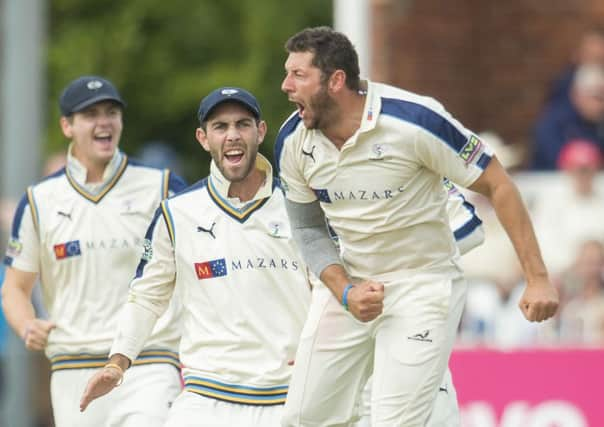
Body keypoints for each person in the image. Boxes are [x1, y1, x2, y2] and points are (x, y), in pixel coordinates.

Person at [275, 26, 559, 427]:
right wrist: (346, 291)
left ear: (336, 80)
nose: (286, 86)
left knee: (395, 421)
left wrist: (538, 278)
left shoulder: (413, 119)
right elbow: (307, 230)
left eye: (298, 75)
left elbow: (498, 182)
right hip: (349, 288)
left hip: (422, 287)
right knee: (304, 417)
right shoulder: (292, 140)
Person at [78, 87, 313, 427]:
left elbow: (328, 292)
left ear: (260, 132)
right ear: (203, 138)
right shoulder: (176, 213)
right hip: (206, 399)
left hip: (288, 398)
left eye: (242, 124)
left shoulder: (299, 206)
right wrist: (118, 362)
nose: (232, 135)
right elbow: (146, 296)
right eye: (220, 127)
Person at [1, 76, 186, 427]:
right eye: (91, 114)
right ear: (67, 126)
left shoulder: (161, 186)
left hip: (147, 361)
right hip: (73, 367)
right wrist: (27, 325)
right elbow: (15, 288)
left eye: (111, 112)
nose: (104, 122)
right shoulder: (39, 201)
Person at [532, 64, 604, 170]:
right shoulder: (554, 123)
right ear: (576, 94)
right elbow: (562, 161)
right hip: (551, 181)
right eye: (596, 97)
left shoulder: (599, 122)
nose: (600, 104)